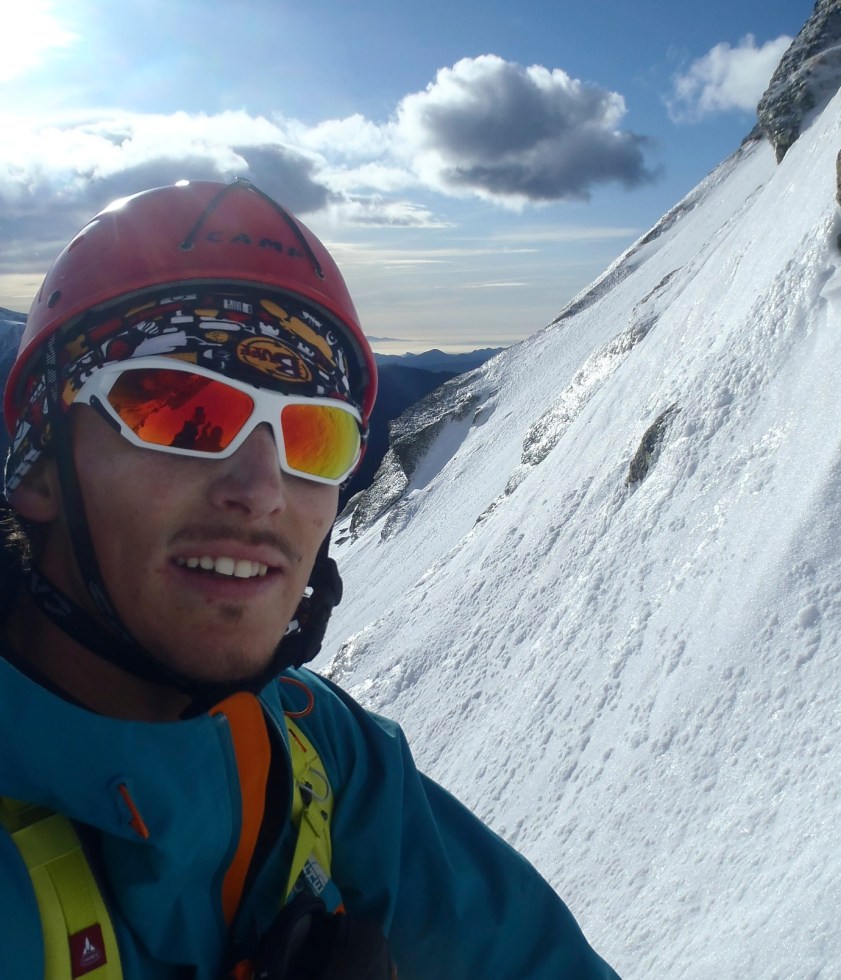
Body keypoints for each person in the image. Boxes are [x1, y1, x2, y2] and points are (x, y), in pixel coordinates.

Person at [0, 178, 620, 979]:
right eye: (183, 413)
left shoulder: (316, 752)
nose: (261, 491)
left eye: (313, 437)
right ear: (41, 468)